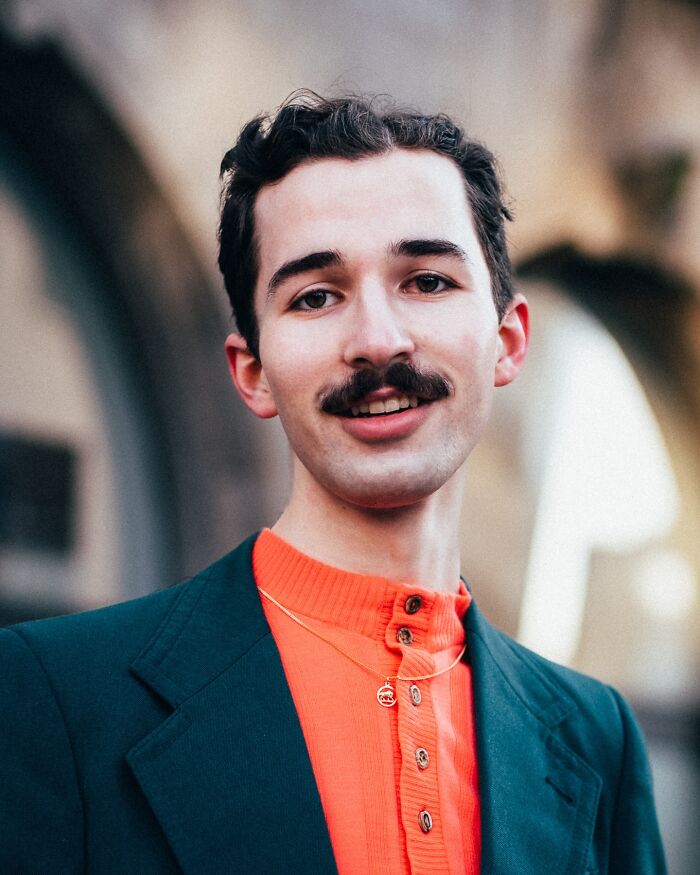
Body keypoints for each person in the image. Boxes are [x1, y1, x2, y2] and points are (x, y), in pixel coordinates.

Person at [0, 93, 666, 874]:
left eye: (426, 281)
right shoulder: (51, 697)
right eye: (316, 295)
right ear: (251, 373)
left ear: (507, 340)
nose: (378, 341)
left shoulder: (598, 739)